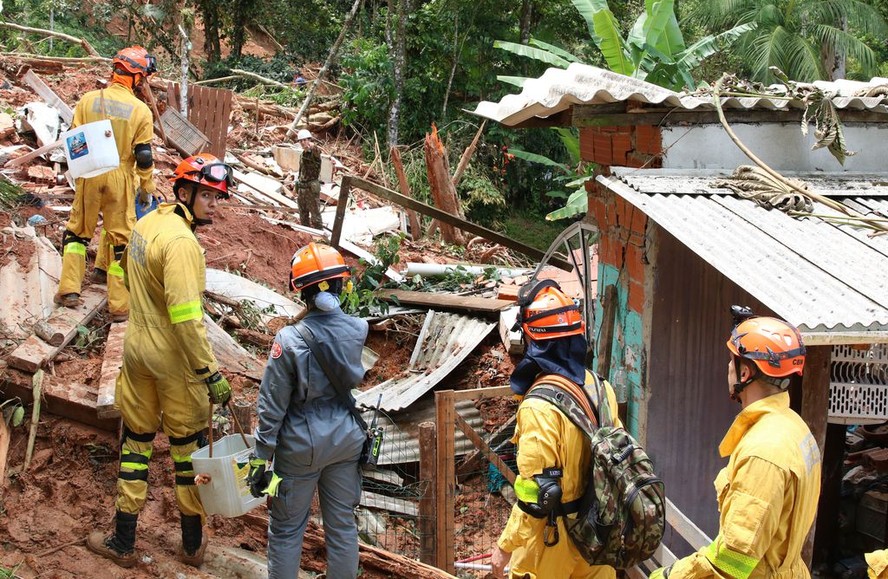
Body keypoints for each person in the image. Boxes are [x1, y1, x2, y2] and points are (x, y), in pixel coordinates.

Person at [86, 153, 233, 569]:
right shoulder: (183, 244)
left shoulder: (147, 223)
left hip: (136, 352)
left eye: (217, 198)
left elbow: (124, 274)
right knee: (187, 451)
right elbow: (187, 320)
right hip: (174, 361)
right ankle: (190, 545)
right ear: (185, 192)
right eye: (207, 196)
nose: (213, 205)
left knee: (136, 444)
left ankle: (123, 540)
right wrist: (211, 372)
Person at [649, 307, 822, 579]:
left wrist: (670, 575)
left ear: (745, 373)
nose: (728, 368)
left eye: (732, 361)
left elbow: (733, 560)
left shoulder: (763, 453)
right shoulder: (795, 427)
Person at [247, 242, 368, 579]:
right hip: (346, 437)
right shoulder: (358, 329)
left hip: (300, 444)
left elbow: (272, 407)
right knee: (342, 526)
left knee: (286, 531)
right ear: (341, 285)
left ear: (302, 292)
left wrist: (260, 458)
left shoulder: (288, 339)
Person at [491, 280, 619, 579]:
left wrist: (505, 546)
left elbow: (537, 493)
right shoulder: (601, 388)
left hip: (552, 541)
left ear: (532, 340)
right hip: (597, 534)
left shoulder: (538, 406)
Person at [55, 45, 159, 322]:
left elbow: (73, 139)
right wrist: (147, 186)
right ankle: (120, 306)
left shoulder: (88, 100)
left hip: (90, 173)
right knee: (121, 241)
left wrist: (79, 170)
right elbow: (144, 155)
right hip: (121, 175)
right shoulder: (140, 110)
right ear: (137, 77)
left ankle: (69, 291)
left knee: (77, 233)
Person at [296, 128, 323, 229]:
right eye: (301, 141)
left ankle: (320, 237)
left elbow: (317, 150)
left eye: (305, 140)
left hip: (311, 189)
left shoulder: (314, 152)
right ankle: (306, 235)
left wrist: (312, 147)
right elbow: (301, 171)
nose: (303, 143)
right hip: (302, 188)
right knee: (303, 215)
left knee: (315, 216)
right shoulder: (302, 155)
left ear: (309, 140)